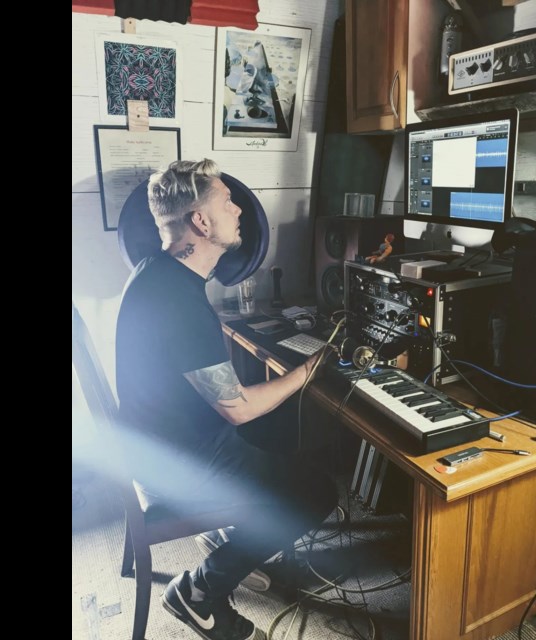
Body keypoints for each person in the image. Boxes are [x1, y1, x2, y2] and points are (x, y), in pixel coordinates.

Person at [116, 159, 337, 640]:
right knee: (317, 491)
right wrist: (307, 371)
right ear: (200, 221)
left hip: (154, 444)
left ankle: (234, 540)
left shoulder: (158, 273)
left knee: (282, 430)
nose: (238, 209)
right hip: (177, 463)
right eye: (226, 201)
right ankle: (198, 592)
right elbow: (235, 407)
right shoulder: (177, 299)